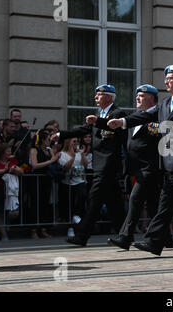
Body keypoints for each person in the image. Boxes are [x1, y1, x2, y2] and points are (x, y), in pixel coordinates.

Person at [107, 65, 173, 256]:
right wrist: (122, 122)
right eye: (166, 78)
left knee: (167, 199)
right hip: (167, 160)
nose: (166, 82)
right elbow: (145, 116)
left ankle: (154, 241)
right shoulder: (165, 104)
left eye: (170, 78)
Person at [55, 84, 128, 246]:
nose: (95, 97)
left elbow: (111, 125)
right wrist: (61, 134)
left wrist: (98, 121)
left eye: (99, 95)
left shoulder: (117, 113)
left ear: (109, 97)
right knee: (115, 204)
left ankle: (82, 235)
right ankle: (126, 236)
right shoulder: (99, 114)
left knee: (94, 201)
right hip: (100, 165)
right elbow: (84, 129)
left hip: (108, 165)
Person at [107, 84, 173, 250]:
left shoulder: (158, 116)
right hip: (136, 168)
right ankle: (166, 237)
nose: (137, 98)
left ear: (152, 99)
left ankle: (125, 237)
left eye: (142, 96)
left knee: (135, 199)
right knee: (153, 204)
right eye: (137, 95)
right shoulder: (134, 117)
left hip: (150, 167)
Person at [29, 130, 61, 239]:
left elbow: (54, 161)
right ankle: (33, 230)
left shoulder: (49, 150)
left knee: (45, 204)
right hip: (36, 180)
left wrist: (55, 159)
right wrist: (51, 161)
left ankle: (43, 229)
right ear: (42, 140)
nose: (49, 141)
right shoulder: (34, 150)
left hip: (47, 180)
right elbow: (35, 165)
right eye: (48, 139)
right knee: (35, 204)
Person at [0, 144, 23, 240]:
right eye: (8, 151)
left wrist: (15, 170)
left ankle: (6, 224)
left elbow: (21, 171)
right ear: (2, 152)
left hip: (11, 190)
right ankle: (4, 234)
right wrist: (5, 170)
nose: (10, 153)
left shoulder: (12, 161)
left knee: (14, 212)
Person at [57, 137, 88, 233]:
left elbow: (85, 165)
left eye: (77, 141)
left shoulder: (79, 153)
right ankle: (70, 227)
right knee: (68, 204)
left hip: (79, 180)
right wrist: (73, 156)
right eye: (74, 141)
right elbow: (66, 167)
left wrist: (82, 155)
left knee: (82, 195)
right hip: (67, 182)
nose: (76, 143)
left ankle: (77, 216)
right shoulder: (62, 154)